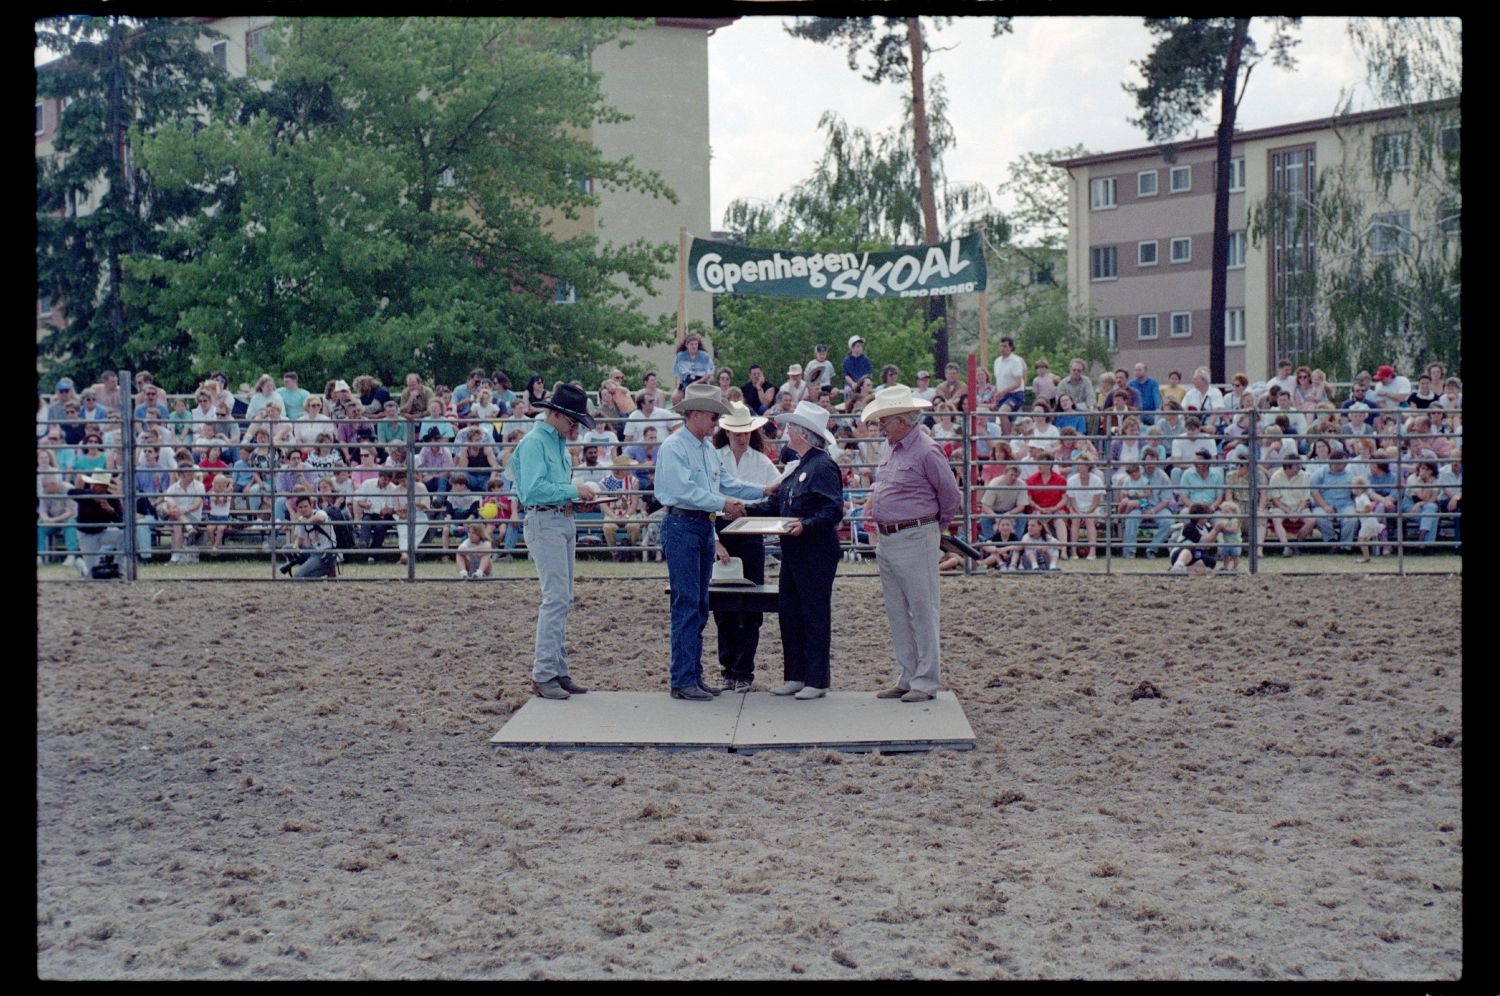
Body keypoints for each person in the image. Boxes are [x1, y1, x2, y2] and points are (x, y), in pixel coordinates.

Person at [652, 383, 763, 700]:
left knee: (698, 603)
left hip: (698, 526)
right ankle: (683, 677)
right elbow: (686, 491)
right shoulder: (675, 448)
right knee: (688, 603)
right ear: (696, 413)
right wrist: (723, 503)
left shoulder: (704, 451)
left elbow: (728, 483)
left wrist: (763, 490)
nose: (717, 423)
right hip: (684, 524)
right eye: (714, 416)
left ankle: (691, 675)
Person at [739, 401, 846, 700]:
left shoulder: (822, 466)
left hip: (815, 549)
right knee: (790, 610)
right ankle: (795, 674)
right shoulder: (798, 466)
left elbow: (832, 509)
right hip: (795, 549)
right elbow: (777, 505)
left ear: (803, 433)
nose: (786, 433)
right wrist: (746, 510)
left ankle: (816, 678)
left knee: (813, 611)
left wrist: (807, 525)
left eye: (790, 428)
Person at [862, 384, 961, 703]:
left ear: (902, 421)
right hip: (890, 537)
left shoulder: (927, 450)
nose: (880, 426)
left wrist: (933, 529)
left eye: (885, 420)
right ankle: (908, 674)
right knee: (897, 610)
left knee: (922, 607)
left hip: (916, 535)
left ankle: (926, 679)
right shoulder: (892, 446)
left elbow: (950, 495)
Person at [510, 383, 601, 699]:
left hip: (560, 519)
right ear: (558, 415)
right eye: (573, 421)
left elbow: (549, 486)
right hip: (545, 520)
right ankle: (544, 673)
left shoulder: (557, 444)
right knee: (557, 597)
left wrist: (573, 496)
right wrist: (575, 492)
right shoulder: (536, 443)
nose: (576, 427)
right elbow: (533, 490)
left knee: (562, 597)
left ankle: (556, 670)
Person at [711, 403, 781, 692]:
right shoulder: (714, 459)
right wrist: (714, 540)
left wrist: (748, 511)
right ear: (726, 431)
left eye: (746, 432)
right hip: (721, 531)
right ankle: (729, 668)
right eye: (737, 432)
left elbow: (775, 497)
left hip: (751, 533)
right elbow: (705, 498)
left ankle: (743, 670)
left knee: (750, 606)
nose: (742, 437)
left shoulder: (763, 462)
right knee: (723, 606)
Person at [66, 472, 125, 579]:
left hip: (102, 533)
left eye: (96, 484)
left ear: (105, 487)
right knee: (92, 575)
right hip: (86, 535)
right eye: (92, 483)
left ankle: (118, 567)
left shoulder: (112, 499)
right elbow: (70, 492)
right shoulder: (87, 494)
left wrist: (110, 511)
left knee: (125, 535)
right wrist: (91, 496)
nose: (92, 486)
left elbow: (122, 524)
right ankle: (80, 564)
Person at [285, 492, 339, 579]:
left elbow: (320, 518)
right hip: (312, 550)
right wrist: (295, 546)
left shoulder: (320, 512)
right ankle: (311, 567)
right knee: (287, 548)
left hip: (324, 552)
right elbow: (300, 538)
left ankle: (325, 569)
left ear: (311, 506)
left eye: (306, 506)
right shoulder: (302, 519)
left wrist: (309, 521)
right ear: (298, 509)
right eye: (300, 507)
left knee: (298, 576)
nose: (303, 509)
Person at [991, 336, 1027, 414]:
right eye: (1001, 346)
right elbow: (999, 381)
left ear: (1011, 348)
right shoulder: (997, 361)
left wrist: (1003, 392)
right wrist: (995, 394)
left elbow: (1018, 383)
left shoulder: (1016, 361)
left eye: (1005, 346)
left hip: (1015, 395)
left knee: (1002, 412)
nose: (1002, 348)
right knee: (1003, 417)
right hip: (1002, 395)